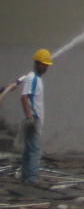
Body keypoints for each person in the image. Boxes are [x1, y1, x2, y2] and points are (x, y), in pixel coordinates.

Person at [19, 49, 53, 185]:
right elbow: (24, 97)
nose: (46, 67)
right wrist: (29, 117)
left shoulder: (35, 79)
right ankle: (31, 178)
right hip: (33, 119)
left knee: (29, 149)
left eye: (47, 65)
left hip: (34, 119)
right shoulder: (32, 78)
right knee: (35, 150)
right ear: (37, 63)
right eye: (43, 65)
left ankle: (26, 177)